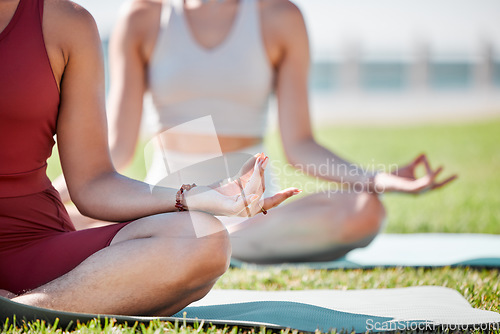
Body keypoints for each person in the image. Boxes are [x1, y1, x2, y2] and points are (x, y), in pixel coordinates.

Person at [55, 0, 456, 264]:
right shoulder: (142, 17)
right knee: (54, 223)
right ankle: (196, 240)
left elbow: (300, 143)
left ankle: (206, 244)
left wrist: (375, 179)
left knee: (365, 211)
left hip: (253, 205)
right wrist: (47, 193)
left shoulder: (279, 17)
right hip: (168, 198)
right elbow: (118, 148)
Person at [0, 0, 297, 314]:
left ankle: (23, 310)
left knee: (204, 241)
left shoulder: (66, 24)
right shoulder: (143, 16)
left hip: (30, 243)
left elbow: (93, 182)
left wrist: (199, 196)